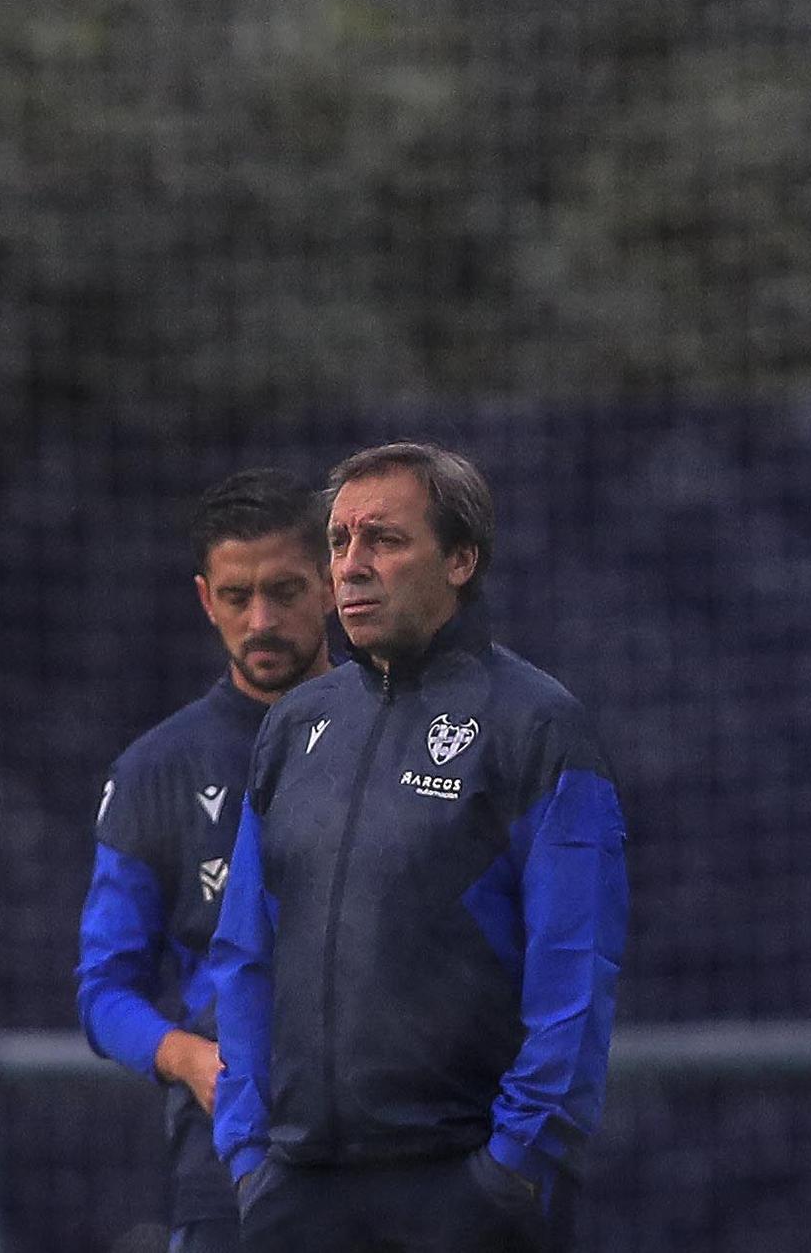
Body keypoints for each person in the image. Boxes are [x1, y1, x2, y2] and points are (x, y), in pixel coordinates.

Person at [211, 442, 628, 1253]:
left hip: (465, 1190)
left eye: (385, 540)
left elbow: (576, 968)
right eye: (338, 542)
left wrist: (514, 1165)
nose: (352, 566)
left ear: (462, 558)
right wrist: (249, 1155)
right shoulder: (293, 727)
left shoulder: (536, 725)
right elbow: (244, 953)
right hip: (298, 1195)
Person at [77, 469, 337, 1253]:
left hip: (407, 1153)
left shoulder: (407, 735)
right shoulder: (156, 770)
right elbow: (103, 990)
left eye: (285, 590)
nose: (261, 620)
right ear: (204, 599)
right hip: (230, 1170)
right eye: (236, 596)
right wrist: (190, 1059)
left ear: (329, 583)